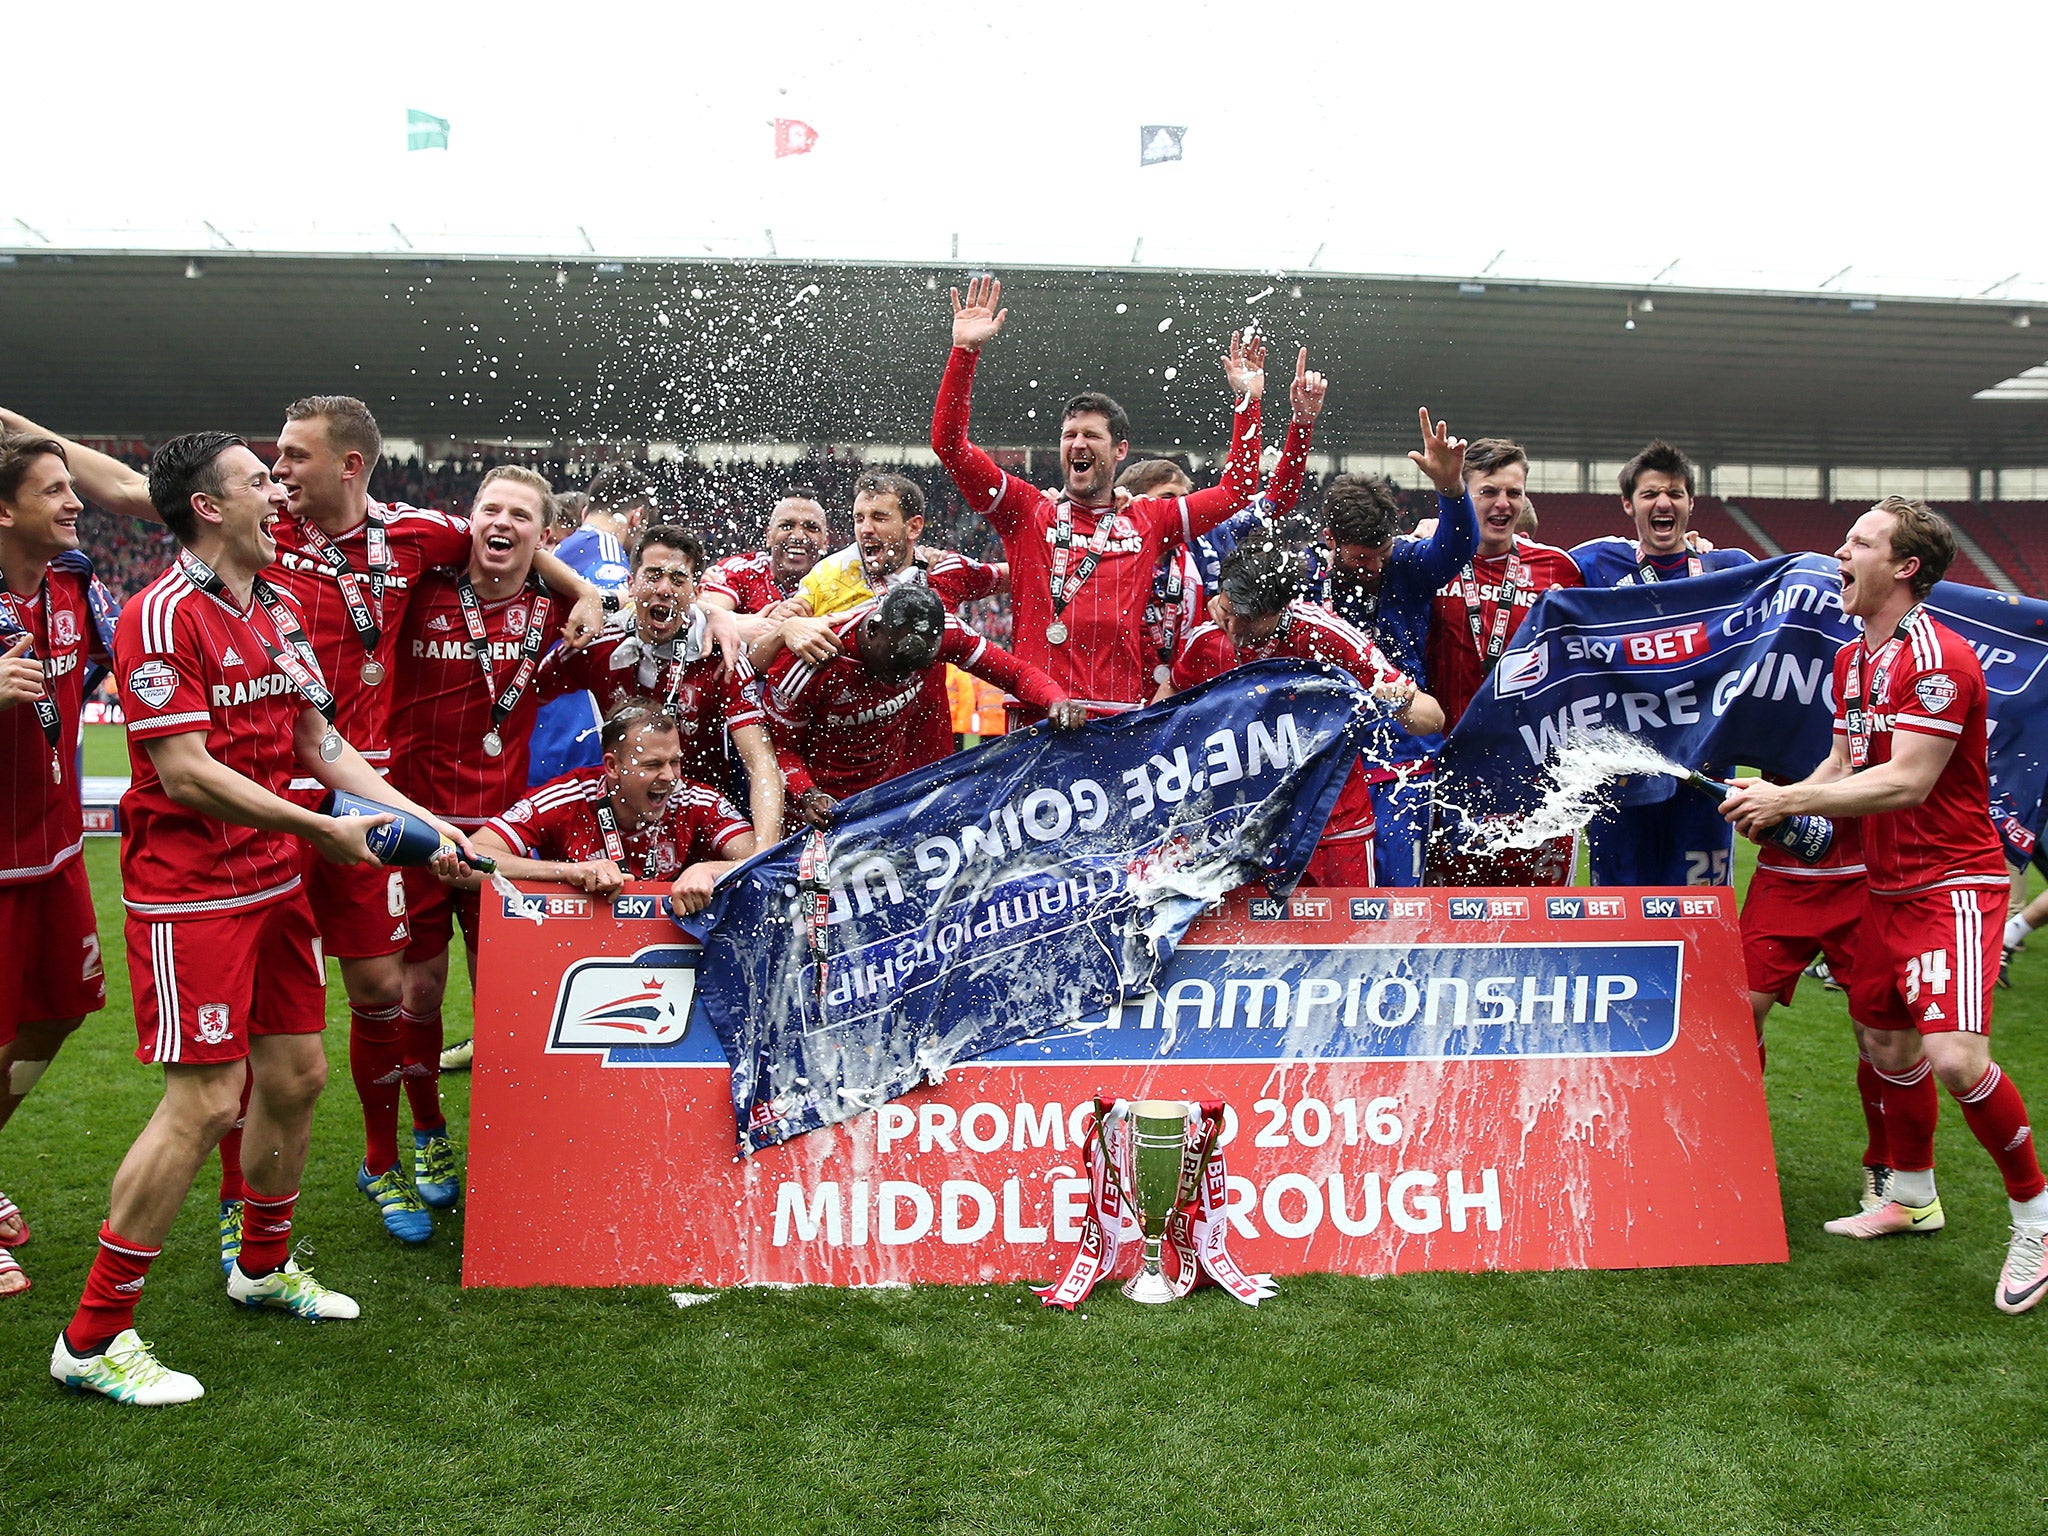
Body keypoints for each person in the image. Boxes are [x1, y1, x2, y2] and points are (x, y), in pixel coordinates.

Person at [3, 397, 606, 1259]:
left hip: (352, 793)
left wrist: (580, 585)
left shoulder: (414, 536)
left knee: (370, 998)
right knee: (238, 1048)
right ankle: (231, 1206)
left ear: (351, 465)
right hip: (245, 808)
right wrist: (26, 435)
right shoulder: (238, 550)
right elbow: (141, 492)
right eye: (267, 466)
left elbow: (504, 533)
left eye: (291, 459)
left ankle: (375, 1162)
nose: (279, 476)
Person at [51, 433, 471, 1404]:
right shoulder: (161, 616)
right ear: (207, 506)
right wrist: (324, 834)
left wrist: (421, 819)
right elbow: (185, 772)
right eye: (257, 480)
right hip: (190, 891)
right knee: (204, 1101)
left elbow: (320, 742)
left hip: (272, 880)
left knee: (297, 1073)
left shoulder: (275, 606)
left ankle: (263, 1265)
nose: (277, 492)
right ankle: (92, 1335)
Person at [1724, 496, 2048, 1313]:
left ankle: (2036, 1217)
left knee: (1955, 1060)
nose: (1839, 551)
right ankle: (1910, 1195)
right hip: (1884, 888)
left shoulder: (1940, 660)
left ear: (1904, 568)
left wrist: (1789, 800)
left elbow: (1907, 779)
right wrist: (1786, 798)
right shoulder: (1850, 660)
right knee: (1883, 1040)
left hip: (1952, 887)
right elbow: (1843, 761)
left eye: (1858, 541)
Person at [930, 275, 1276, 723]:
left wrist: (1248, 402)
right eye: (1069, 434)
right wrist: (964, 353)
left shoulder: (1150, 519)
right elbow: (950, 446)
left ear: (1119, 451)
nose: (1077, 443)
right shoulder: (1027, 511)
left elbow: (1236, 492)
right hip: (1037, 718)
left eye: (1091, 435)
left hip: (1119, 723)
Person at [379, 467, 575, 1240]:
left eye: (520, 515)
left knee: (512, 1000)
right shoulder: (418, 586)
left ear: (543, 536)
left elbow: (643, 627)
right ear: (467, 521)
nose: (501, 522)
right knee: (419, 995)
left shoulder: (562, 611)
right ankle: (426, 1136)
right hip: (414, 830)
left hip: (502, 842)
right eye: (488, 509)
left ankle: (517, 1150)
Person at [0, 435, 117, 1300]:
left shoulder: (79, 584)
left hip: (59, 852)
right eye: (52, 491)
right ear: (5, 511)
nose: (74, 504)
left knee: (57, 1019)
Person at [1169, 538, 1442, 886]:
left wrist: (1400, 701)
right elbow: (1168, 703)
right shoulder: (1207, 639)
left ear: (1281, 608)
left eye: (1249, 621)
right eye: (1229, 611)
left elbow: (1432, 717)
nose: (1235, 630)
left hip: (1334, 826)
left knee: (1352, 937)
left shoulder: (1324, 636)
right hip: (1243, 836)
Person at [1573, 440, 1755, 887]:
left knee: (1699, 909)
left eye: (1674, 493)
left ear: (1691, 503)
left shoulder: (1729, 569)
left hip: (1704, 772)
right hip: (1619, 772)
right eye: (1650, 494)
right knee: (1616, 914)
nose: (1663, 503)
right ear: (1628, 505)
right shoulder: (1596, 564)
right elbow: (1524, 559)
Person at [538, 525, 784, 845]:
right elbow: (524, 695)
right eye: (653, 575)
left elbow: (761, 762)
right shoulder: (598, 645)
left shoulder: (721, 657)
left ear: (695, 593)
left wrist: (763, 850)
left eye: (679, 579)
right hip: (619, 818)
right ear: (631, 583)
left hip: (700, 823)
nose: (665, 589)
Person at [766, 584, 1083, 827]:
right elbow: (776, 747)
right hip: (818, 813)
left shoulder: (947, 633)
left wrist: (1055, 699)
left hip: (889, 803)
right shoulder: (814, 660)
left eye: (917, 668)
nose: (902, 678)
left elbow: (1014, 673)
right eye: (896, 666)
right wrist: (807, 793)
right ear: (873, 631)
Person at [1420, 438, 1582, 885]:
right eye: (1488, 491)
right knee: (1446, 925)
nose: (1502, 503)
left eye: (1514, 492)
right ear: (1462, 492)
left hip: (1536, 782)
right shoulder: (1426, 561)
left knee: (1541, 926)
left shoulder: (1560, 569)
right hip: (1445, 780)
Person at [448, 700, 757, 916]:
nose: (669, 776)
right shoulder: (568, 797)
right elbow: (468, 863)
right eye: (652, 765)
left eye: (674, 762)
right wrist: (569, 873)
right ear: (612, 766)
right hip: (581, 946)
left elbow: (764, 861)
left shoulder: (694, 799)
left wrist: (707, 871)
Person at [525, 464, 648, 785]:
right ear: (636, 517)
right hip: (574, 736)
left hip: (543, 729)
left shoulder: (565, 551)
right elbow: (616, 607)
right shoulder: (605, 548)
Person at [699, 490, 830, 615]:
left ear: (825, 542)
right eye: (786, 526)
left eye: (812, 528)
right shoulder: (742, 571)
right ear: (769, 537)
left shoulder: (838, 583)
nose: (798, 536)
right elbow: (706, 619)